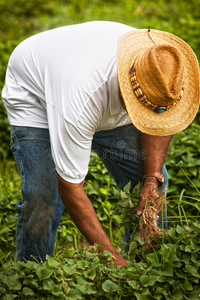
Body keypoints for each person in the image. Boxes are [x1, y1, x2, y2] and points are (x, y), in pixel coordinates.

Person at [1, 21, 199, 266]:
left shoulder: (167, 68)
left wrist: (151, 177)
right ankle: (32, 276)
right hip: (35, 94)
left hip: (95, 94)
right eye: (146, 109)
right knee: (43, 198)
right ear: (129, 92)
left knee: (153, 184)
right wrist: (112, 259)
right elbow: (71, 188)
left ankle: (147, 268)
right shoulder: (80, 100)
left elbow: (161, 119)